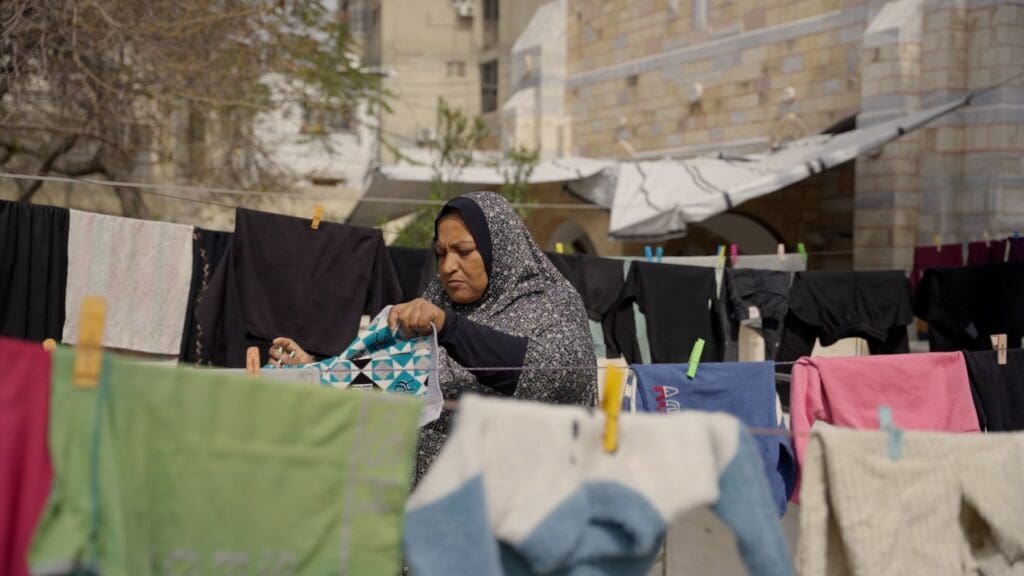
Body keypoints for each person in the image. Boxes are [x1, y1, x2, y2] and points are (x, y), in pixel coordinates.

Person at [269, 191, 598, 478]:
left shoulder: (551, 305)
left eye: (464, 251)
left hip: (512, 512)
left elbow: (556, 376)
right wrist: (317, 370)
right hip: (426, 512)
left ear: (502, 249)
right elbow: (389, 379)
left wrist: (450, 328)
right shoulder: (437, 301)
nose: (448, 266)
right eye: (441, 254)